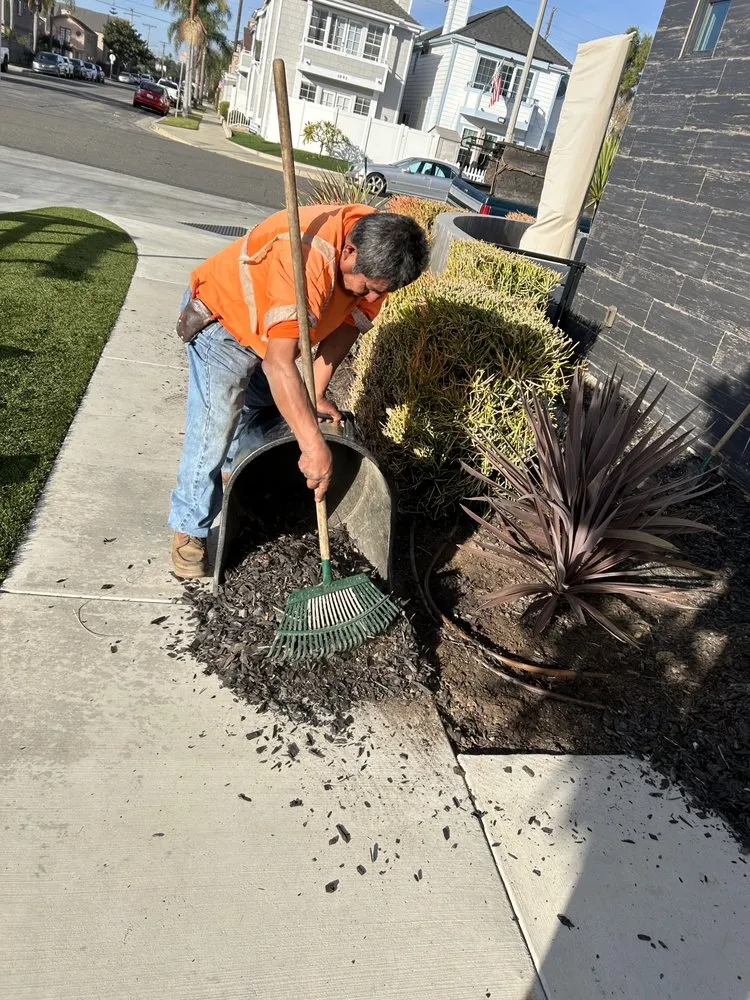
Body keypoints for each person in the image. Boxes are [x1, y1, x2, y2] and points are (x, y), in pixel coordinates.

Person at [168, 203, 429, 579]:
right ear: (349, 251)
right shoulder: (306, 254)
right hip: (224, 322)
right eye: (368, 287)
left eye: (380, 292)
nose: (371, 298)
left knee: (263, 413)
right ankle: (189, 527)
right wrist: (313, 446)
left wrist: (311, 394)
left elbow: (344, 332)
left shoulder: (385, 253)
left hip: (272, 338)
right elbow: (279, 364)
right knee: (215, 428)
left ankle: (230, 474)